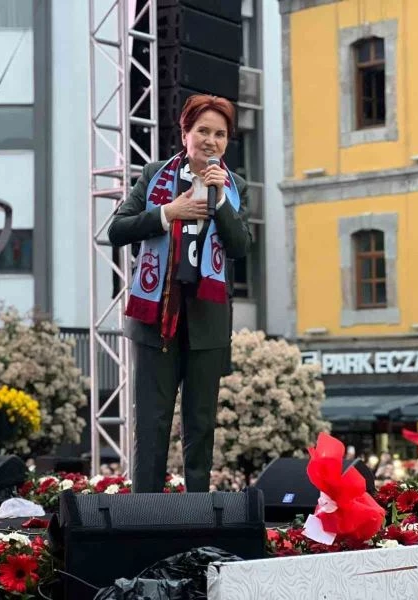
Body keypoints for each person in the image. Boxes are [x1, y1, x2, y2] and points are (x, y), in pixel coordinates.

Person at [108, 94, 251, 493]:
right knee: (152, 423)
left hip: (207, 320)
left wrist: (219, 200)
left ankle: (197, 512)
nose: (211, 140)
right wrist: (169, 212)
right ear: (185, 133)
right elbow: (117, 231)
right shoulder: (155, 176)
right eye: (203, 131)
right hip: (156, 317)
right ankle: (146, 513)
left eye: (220, 134)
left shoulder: (234, 187)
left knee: (201, 423)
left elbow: (241, 246)